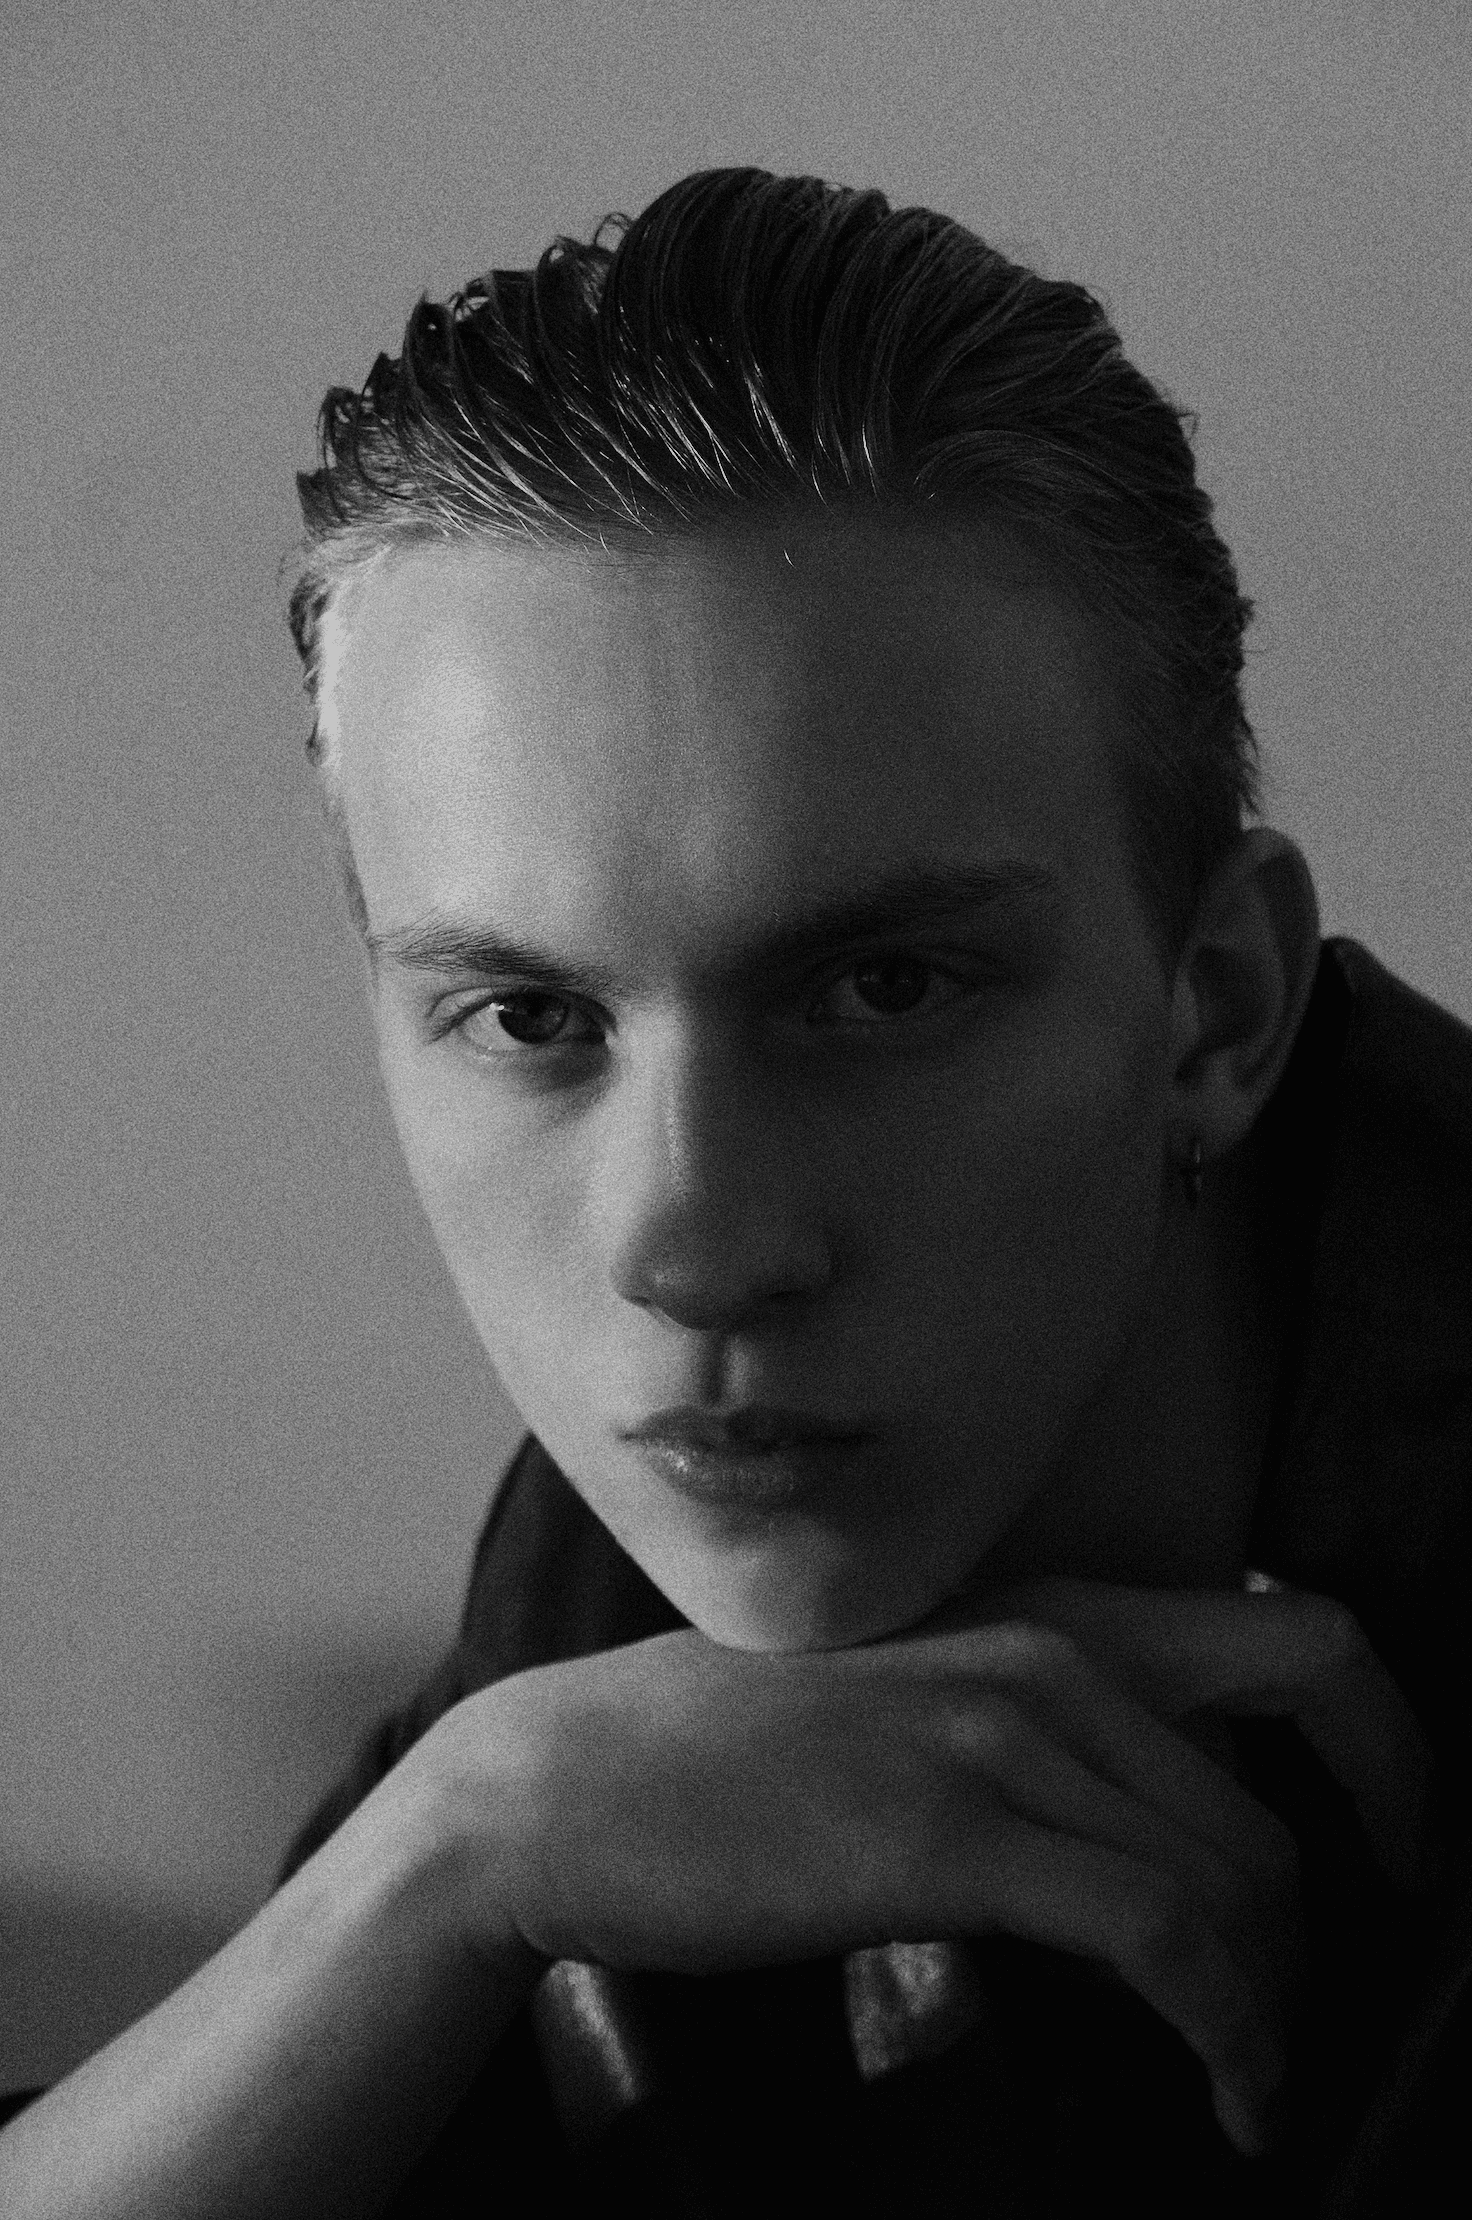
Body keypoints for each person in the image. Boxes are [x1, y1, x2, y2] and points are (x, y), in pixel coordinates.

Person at [2, 166, 1467, 2218]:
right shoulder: (597, 1596)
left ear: (1214, 1008)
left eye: (882, 990)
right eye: (528, 1016)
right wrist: (445, 1862)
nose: (685, 1245)